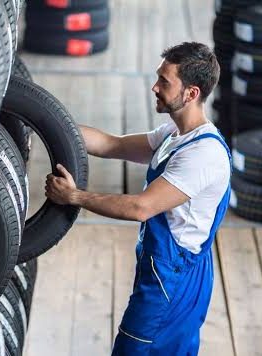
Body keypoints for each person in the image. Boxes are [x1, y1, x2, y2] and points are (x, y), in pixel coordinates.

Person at [44, 42, 231, 356]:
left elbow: (141, 208)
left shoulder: (203, 154)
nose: (155, 87)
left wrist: (74, 196)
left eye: (165, 82)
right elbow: (110, 144)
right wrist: (44, 121)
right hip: (165, 271)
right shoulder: (173, 136)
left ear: (191, 93)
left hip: (174, 281)